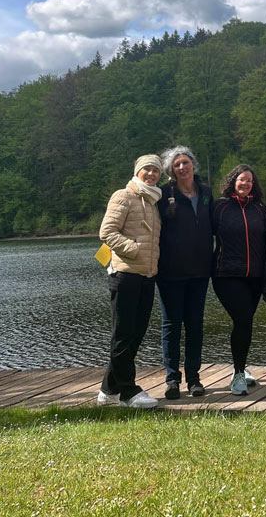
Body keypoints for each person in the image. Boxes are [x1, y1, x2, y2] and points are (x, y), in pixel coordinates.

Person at [97, 154, 163, 409]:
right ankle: (128, 392)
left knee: (135, 334)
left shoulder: (153, 200)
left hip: (146, 275)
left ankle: (108, 389)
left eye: (156, 171)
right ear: (138, 171)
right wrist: (133, 248)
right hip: (124, 275)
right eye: (147, 169)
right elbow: (107, 231)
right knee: (124, 335)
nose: (151, 174)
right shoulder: (123, 196)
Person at [156, 146, 213, 399]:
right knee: (171, 326)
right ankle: (171, 380)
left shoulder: (206, 193)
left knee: (195, 326)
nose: (182, 167)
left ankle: (193, 379)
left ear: (193, 165)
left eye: (185, 162)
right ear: (171, 170)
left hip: (200, 271)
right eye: (176, 164)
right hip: (169, 273)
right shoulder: (162, 196)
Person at [211, 164, 266, 395]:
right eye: (241, 180)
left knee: (244, 323)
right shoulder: (219, 207)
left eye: (249, 180)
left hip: (255, 277)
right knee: (243, 320)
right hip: (226, 275)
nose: (245, 184)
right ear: (232, 182)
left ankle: (241, 367)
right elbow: (199, 233)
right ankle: (237, 375)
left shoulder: (259, 209)